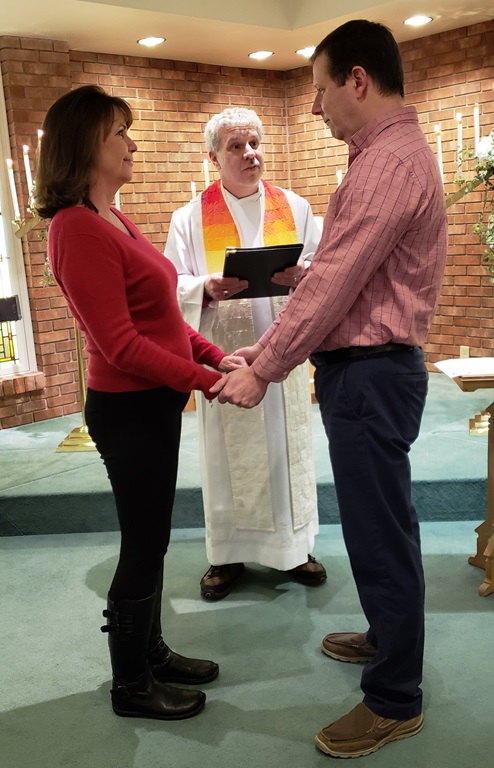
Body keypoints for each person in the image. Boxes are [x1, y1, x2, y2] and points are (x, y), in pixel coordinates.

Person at [212, 20, 448, 759]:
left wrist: (264, 367)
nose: (314, 107)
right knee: (377, 526)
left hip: (373, 372)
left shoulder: (389, 163)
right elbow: (349, 275)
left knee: (380, 532)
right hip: (366, 369)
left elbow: (341, 284)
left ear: (358, 80)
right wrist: (283, 316)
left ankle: (395, 699)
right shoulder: (383, 157)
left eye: (319, 89)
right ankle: (387, 639)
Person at [34, 85, 246, 722]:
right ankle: (130, 684)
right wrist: (206, 381)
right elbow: (121, 345)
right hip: (127, 409)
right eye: (118, 133)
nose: (131, 144)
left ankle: (151, 652)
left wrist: (214, 357)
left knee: (153, 538)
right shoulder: (75, 228)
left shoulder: (113, 217)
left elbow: (162, 320)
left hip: (155, 403)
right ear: (85, 146)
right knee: (142, 543)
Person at [165, 107, 326, 600]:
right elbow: (171, 286)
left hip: (281, 357)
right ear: (214, 157)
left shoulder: (295, 207)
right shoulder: (189, 218)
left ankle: (293, 549)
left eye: (254, 143)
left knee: (287, 448)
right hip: (226, 357)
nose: (250, 153)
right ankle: (227, 554)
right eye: (236, 146)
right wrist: (204, 287)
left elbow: (324, 270)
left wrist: (303, 274)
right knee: (226, 456)